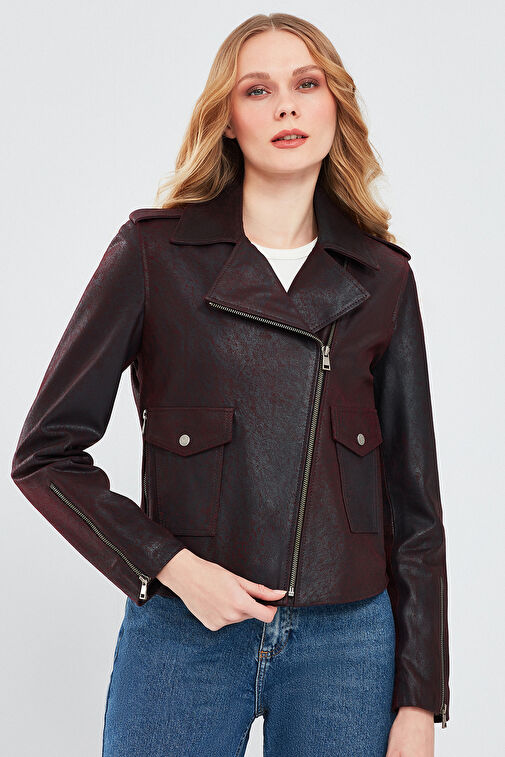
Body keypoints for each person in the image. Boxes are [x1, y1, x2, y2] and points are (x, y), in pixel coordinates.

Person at [10, 12, 450, 757]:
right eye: (258, 90)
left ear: (334, 106)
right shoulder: (153, 253)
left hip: (348, 645)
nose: (285, 107)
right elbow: (46, 455)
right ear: (226, 119)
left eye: (306, 84)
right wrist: (173, 568)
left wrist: (418, 700)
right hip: (185, 627)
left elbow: (415, 506)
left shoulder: (382, 277)